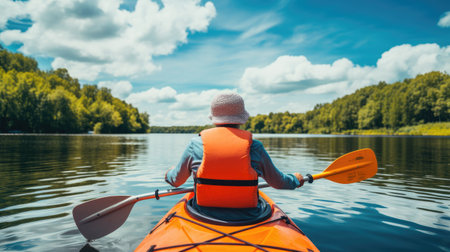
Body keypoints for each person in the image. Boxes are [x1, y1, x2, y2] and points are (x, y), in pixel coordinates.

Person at [165, 92, 304, 221]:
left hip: (202, 214)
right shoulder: (255, 147)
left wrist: (168, 174)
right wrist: (295, 180)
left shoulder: (195, 145)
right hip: (249, 216)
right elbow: (278, 182)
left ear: (214, 118)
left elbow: (176, 181)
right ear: (241, 119)